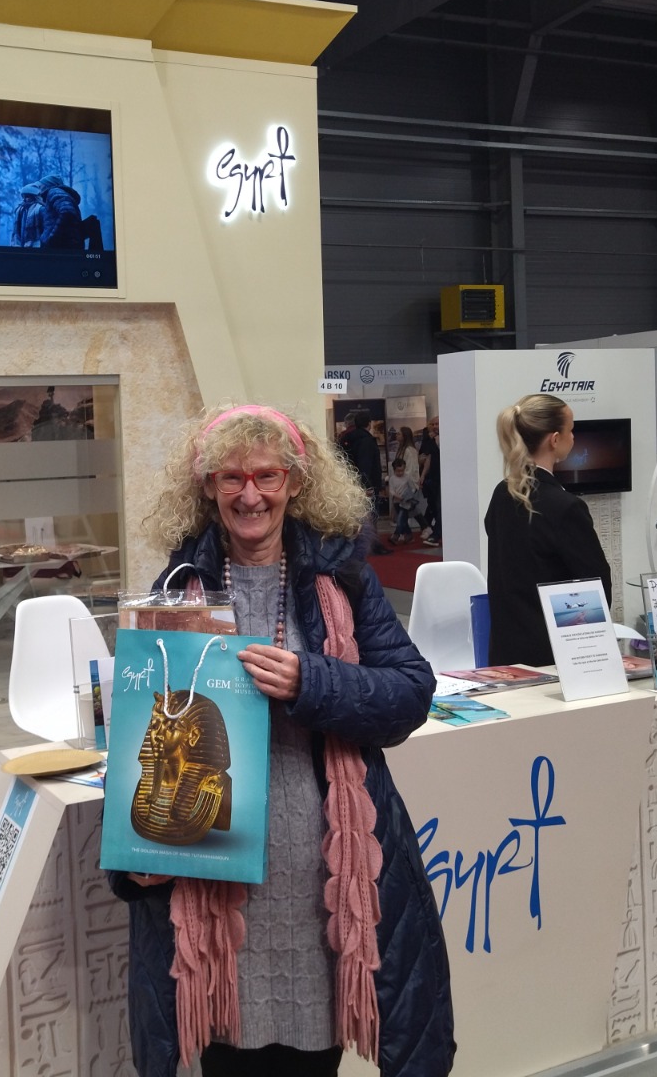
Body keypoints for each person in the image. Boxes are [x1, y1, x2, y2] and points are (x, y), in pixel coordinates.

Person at [111, 404, 455, 1077]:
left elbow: (411, 694)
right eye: (231, 477)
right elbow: (145, 744)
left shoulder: (343, 581)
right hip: (217, 886)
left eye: (267, 475)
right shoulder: (177, 593)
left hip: (320, 887)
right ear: (207, 487)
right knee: (227, 1058)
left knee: (313, 1060)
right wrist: (134, 854)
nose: (251, 495)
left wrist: (312, 680)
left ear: (296, 482)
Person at [484, 394, 612, 667]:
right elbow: (597, 587)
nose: (573, 437)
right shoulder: (565, 507)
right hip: (554, 658)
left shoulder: (501, 494)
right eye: (571, 430)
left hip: (505, 654)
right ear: (555, 439)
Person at [338, 409, 389, 555]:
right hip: (367, 485)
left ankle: (359, 545)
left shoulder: (347, 439)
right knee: (372, 515)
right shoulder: (366, 441)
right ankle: (373, 545)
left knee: (358, 516)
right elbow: (365, 465)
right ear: (369, 424)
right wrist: (367, 485)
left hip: (352, 483)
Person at [387, 456, 426, 544]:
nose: (400, 473)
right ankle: (408, 535)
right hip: (397, 502)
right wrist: (397, 496)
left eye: (402, 470)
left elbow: (412, 487)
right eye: (398, 471)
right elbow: (391, 490)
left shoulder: (407, 477)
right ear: (394, 470)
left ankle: (396, 535)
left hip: (405, 502)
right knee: (403, 520)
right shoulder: (392, 479)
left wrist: (410, 494)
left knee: (401, 519)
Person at [419, 417, 441, 545]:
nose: (435, 426)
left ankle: (436, 534)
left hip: (442, 478)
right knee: (435, 506)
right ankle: (435, 532)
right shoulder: (430, 440)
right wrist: (423, 475)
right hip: (433, 478)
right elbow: (429, 458)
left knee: (439, 507)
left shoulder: (442, 439)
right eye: (433, 424)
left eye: (437, 424)